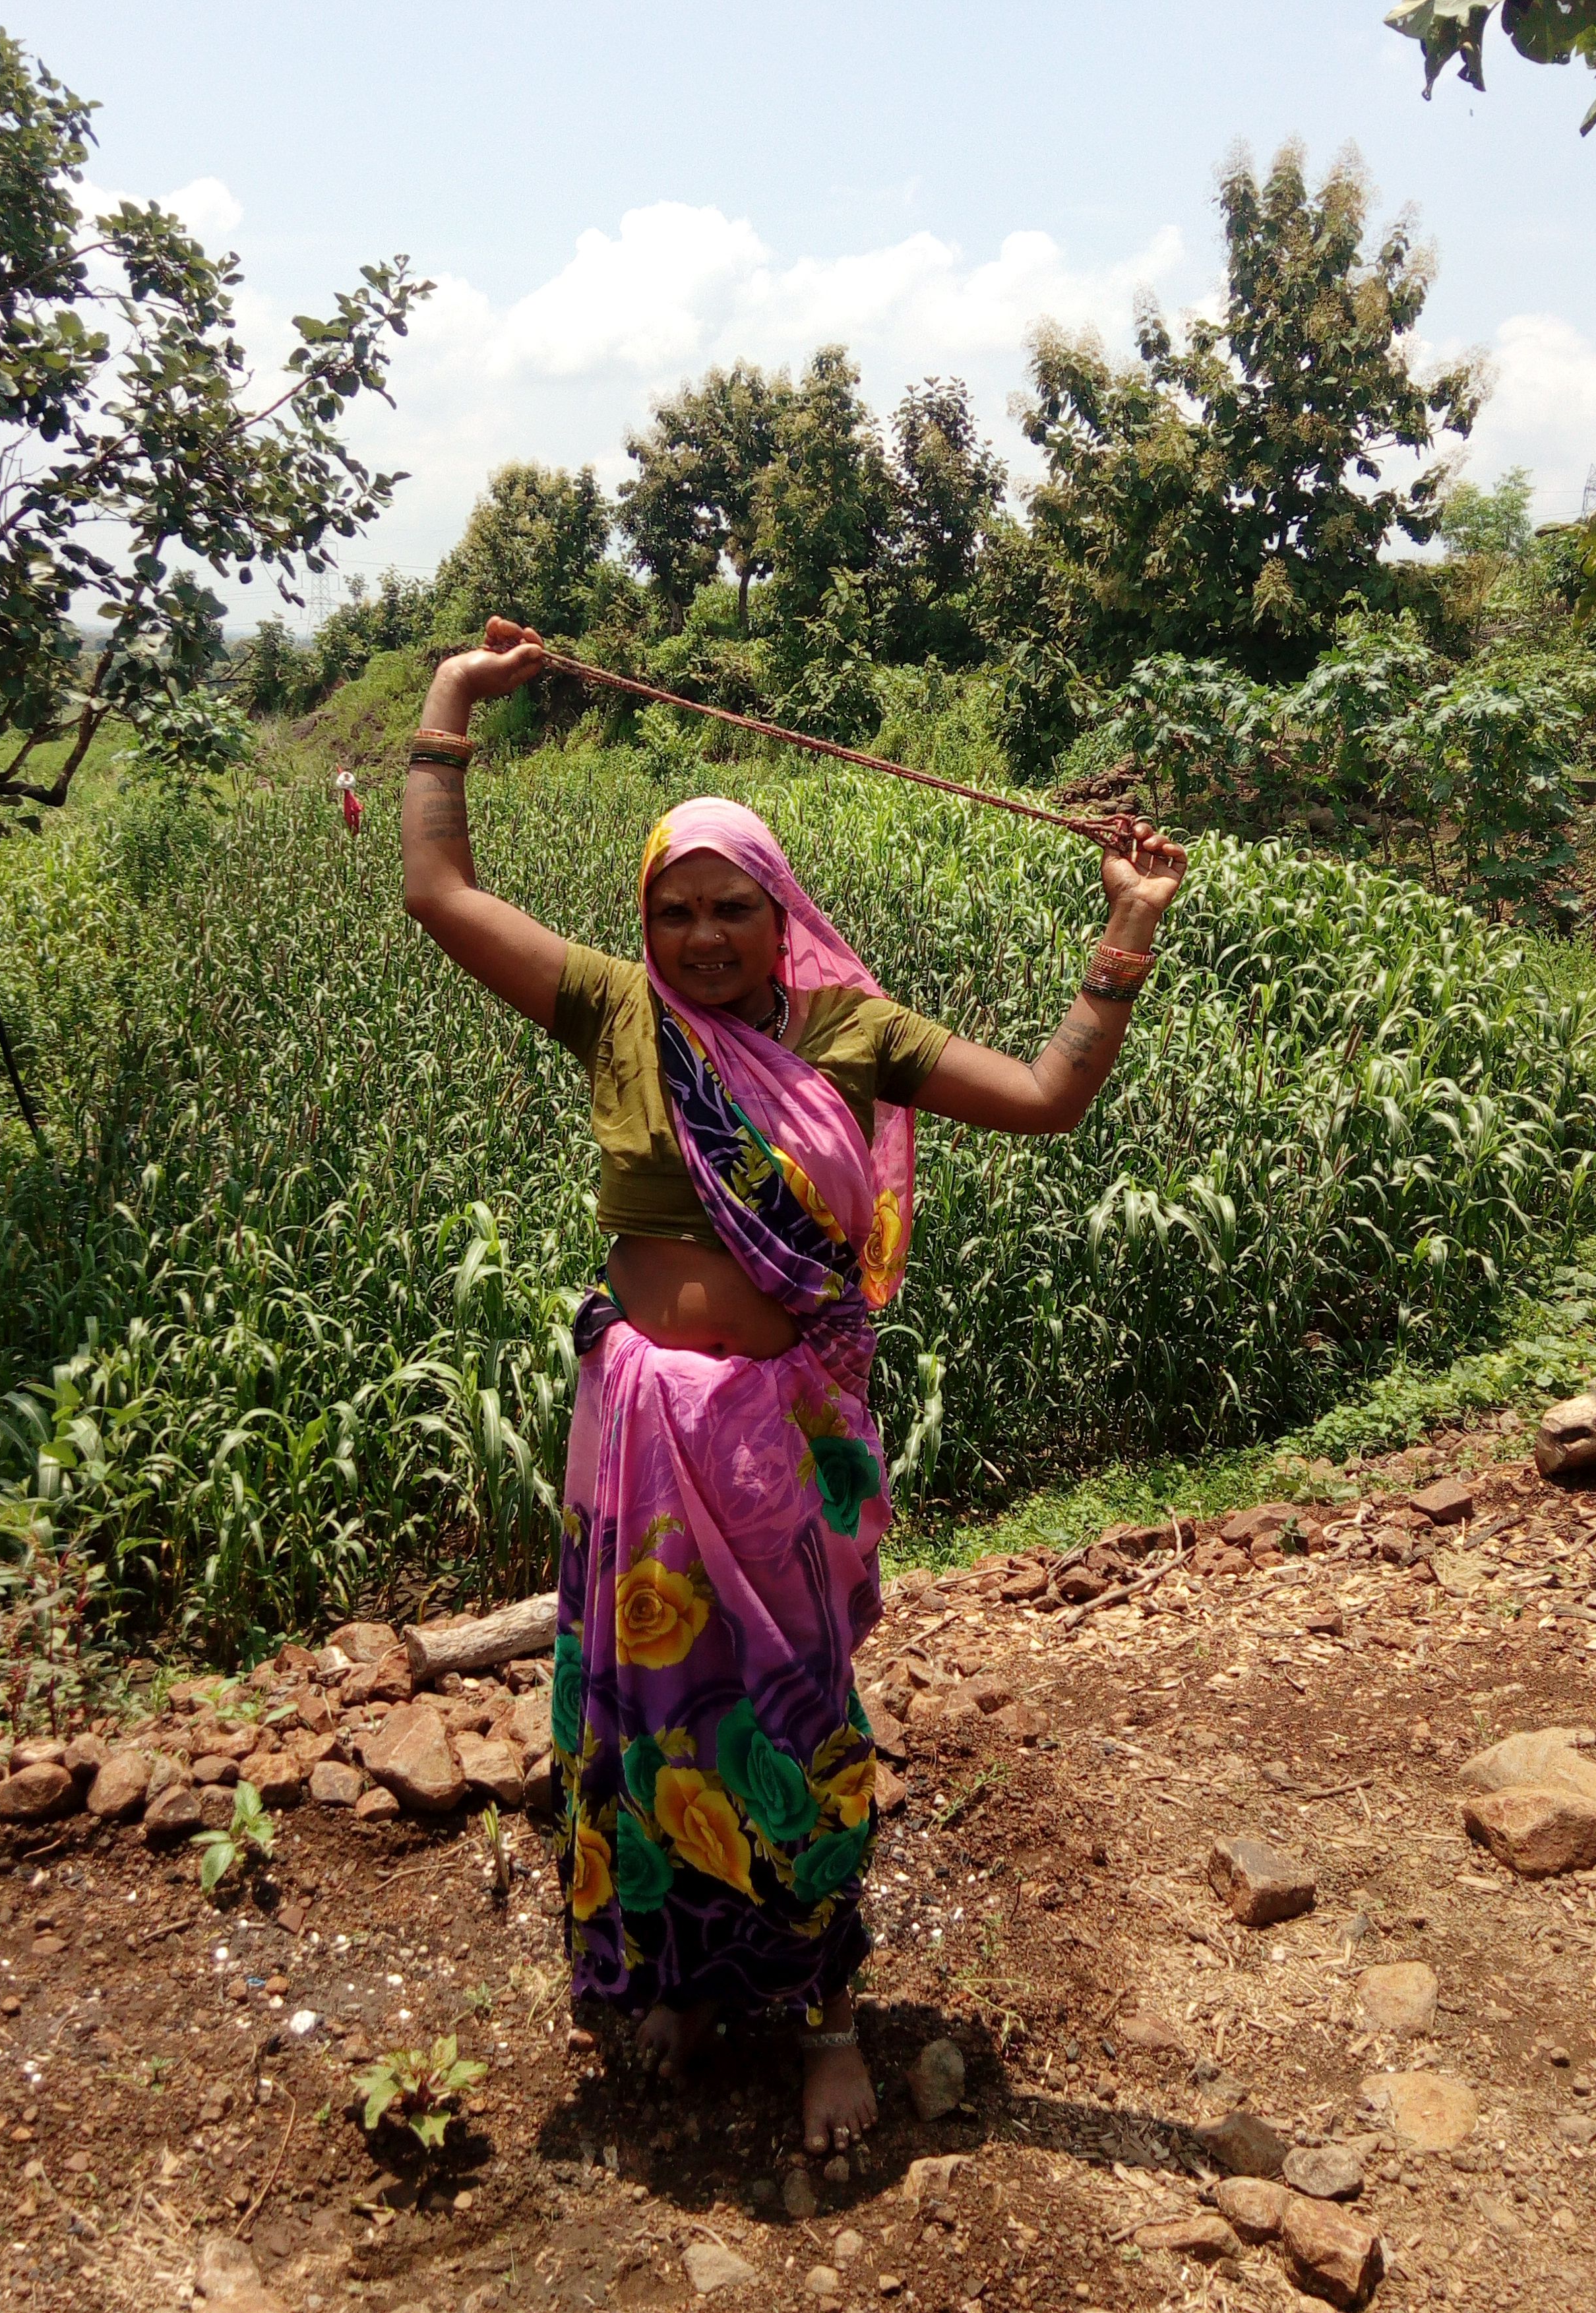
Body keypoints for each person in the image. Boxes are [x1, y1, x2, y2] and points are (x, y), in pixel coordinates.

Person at [402, 617, 1188, 2156]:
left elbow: (1044, 1102)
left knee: (796, 1718)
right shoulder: (618, 1012)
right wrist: (449, 704)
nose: (700, 939)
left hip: (774, 1447)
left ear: (782, 919)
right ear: (648, 920)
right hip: (639, 1432)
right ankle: (676, 1978)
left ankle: (827, 2017)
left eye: (730, 911)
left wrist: (1127, 931)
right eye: (674, 910)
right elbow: (438, 890)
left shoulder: (847, 1037)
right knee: (644, 1717)